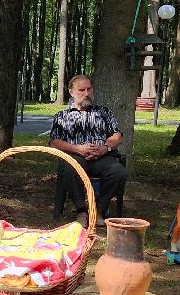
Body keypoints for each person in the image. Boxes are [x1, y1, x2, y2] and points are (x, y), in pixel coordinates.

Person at [49, 75, 127, 220]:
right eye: (81, 90)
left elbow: (117, 136)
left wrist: (104, 148)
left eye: (89, 89)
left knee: (119, 172)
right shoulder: (62, 116)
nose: (86, 93)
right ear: (71, 92)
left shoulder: (104, 113)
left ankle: (98, 209)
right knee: (70, 169)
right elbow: (54, 142)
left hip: (102, 157)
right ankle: (81, 210)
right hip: (75, 156)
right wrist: (78, 149)